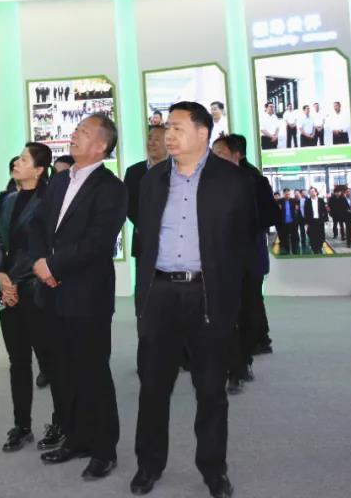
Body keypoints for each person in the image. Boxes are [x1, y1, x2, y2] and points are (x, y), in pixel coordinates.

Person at [131, 102, 256, 498]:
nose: (168, 135)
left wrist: (228, 296)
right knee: (153, 387)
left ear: (203, 133)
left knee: (210, 390)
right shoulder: (152, 180)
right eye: (167, 127)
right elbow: (144, 236)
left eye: (178, 128)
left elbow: (243, 241)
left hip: (207, 294)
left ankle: (214, 469)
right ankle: (149, 465)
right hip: (160, 293)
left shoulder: (231, 180)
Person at [31, 115, 127, 480]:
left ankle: (104, 450)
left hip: (87, 295)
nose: (74, 135)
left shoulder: (111, 188)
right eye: (76, 131)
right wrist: (40, 262)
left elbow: (98, 242)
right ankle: (76, 438)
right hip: (51, 293)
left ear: (100, 146)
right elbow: (38, 225)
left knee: (92, 372)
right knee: (63, 371)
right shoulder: (58, 180)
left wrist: (53, 266)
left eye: (83, 132)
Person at [0, 143, 59, 453]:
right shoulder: (6, 200)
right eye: (17, 158)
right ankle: (22, 426)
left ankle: (61, 422)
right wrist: (0, 275)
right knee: (17, 361)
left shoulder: (50, 201)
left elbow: (43, 249)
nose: (16, 163)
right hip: (8, 287)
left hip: (36, 288)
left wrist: (16, 282)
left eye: (23, 159)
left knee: (49, 359)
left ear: (39, 169)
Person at [212, 134, 277, 394]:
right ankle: (232, 367)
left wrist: (245, 224)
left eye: (220, 153)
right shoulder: (206, 181)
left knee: (249, 311)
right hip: (217, 258)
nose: (214, 158)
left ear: (236, 154)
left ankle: (244, 358)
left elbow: (271, 214)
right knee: (222, 314)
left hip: (247, 255)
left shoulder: (253, 180)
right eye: (213, 153)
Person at [124, 126, 168, 297]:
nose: (152, 142)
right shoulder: (134, 171)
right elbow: (129, 204)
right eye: (150, 138)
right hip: (143, 239)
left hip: (173, 240)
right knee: (145, 290)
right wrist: (147, 225)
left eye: (157, 139)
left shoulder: (178, 170)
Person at [275, 188, 301, 255]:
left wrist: (297, 209)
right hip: (284, 223)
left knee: (294, 237)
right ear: (283, 194)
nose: (288, 195)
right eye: (286, 194)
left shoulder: (293, 200)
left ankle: (294, 250)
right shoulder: (279, 201)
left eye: (289, 194)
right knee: (285, 237)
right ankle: (287, 250)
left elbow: (298, 208)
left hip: (293, 223)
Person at [302, 186, 328, 254]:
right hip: (312, 221)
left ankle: (320, 246)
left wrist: (325, 219)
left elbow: (325, 210)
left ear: (316, 192)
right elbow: (306, 212)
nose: (312, 193)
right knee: (312, 235)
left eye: (313, 191)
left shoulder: (321, 200)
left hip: (320, 221)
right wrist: (306, 223)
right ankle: (315, 249)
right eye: (310, 192)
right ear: (309, 193)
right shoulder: (307, 201)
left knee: (321, 235)